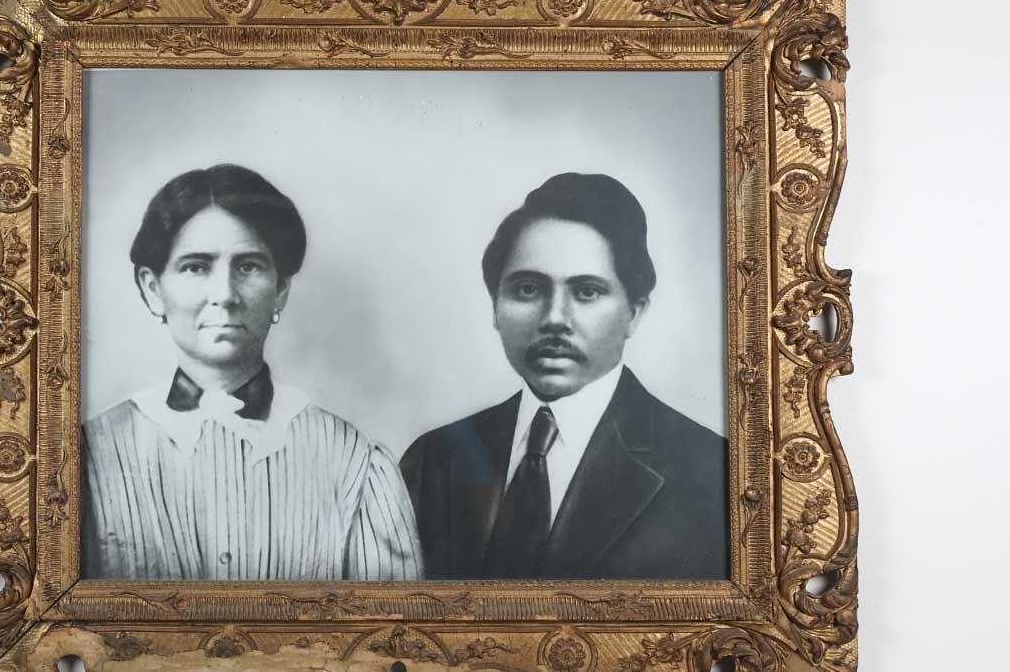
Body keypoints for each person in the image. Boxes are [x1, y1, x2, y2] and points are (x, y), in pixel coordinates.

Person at [82, 164, 421, 581]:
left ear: (280, 289)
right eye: (195, 266)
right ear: (154, 289)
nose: (224, 294)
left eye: (248, 266)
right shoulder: (89, 456)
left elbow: (388, 632)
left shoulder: (354, 463)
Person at [400, 173, 728, 580]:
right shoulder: (433, 460)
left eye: (586, 291)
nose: (554, 319)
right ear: (494, 306)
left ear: (635, 311)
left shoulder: (711, 471)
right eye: (527, 290)